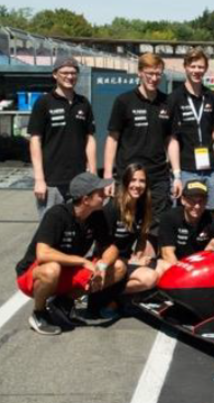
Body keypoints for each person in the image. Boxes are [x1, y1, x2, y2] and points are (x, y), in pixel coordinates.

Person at [15, 172, 126, 335]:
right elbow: (43, 254)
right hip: (33, 275)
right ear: (86, 199)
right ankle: (39, 313)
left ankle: (63, 304)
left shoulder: (96, 215)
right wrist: (82, 262)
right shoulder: (57, 215)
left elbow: (110, 248)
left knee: (118, 267)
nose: (105, 195)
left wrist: (102, 266)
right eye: (100, 193)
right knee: (52, 269)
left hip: (66, 271)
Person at [103, 53, 172, 235]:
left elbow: (171, 140)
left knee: (155, 230)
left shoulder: (167, 102)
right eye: (150, 73)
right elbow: (112, 139)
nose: (154, 78)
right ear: (140, 72)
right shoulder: (124, 101)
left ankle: (147, 252)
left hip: (157, 177)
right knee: (122, 229)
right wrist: (108, 176)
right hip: (128, 176)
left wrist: (178, 174)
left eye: (158, 74)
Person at [28, 57, 96, 218]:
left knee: (78, 225)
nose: (69, 77)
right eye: (65, 73)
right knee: (51, 227)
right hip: (52, 181)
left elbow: (90, 138)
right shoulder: (44, 102)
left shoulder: (83, 103)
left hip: (79, 180)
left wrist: (92, 171)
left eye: (73, 73)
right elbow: (35, 140)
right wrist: (39, 179)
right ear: (55, 74)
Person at [168, 48, 214, 210]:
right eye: (193, 66)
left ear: (205, 68)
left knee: (210, 213)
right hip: (186, 169)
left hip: (210, 169)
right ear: (185, 67)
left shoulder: (212, 96)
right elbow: (172, 139)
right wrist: (177, 174)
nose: (196, 71)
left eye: (200, 67)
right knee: (186, 213)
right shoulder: (175, 98)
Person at [102, 164, 165, 295]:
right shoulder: (113, 207)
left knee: (166, 267)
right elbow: (102, 247)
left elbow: (142, 237)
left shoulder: (143, 207)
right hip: (110, 262)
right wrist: (132, 261)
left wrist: (139, 256)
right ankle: (104, 295)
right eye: (133, 180)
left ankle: (120, 295)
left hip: (127, 260)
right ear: (125, 182)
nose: (137, 185)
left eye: (142, 181)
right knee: (150, 278)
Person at [157, 180, 214, 265]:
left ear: (206, 201)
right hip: (175, 265)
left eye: (201, 201)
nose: (197, 206)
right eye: (192, 201)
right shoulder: (169, 218)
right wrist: (186, 271)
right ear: (183, 200)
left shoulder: (211, 219)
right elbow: (167, 254)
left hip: (200, 265)